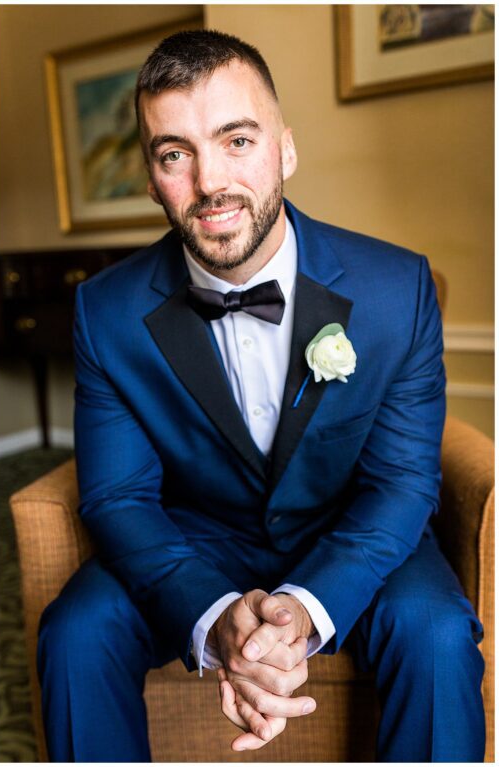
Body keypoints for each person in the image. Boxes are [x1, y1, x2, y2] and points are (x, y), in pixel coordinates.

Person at [37, 30, 484, 762]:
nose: (210, 181)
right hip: (195, 535)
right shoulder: (105, 311)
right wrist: (215, 616)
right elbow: (118, 497)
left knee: (434, 631)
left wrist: (307, 613)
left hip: (351, 525)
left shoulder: (395, 289)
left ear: (285, 149)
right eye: (174, 153)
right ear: (152, 177)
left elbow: (402, 482)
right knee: (74, 632)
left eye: (236, 140)